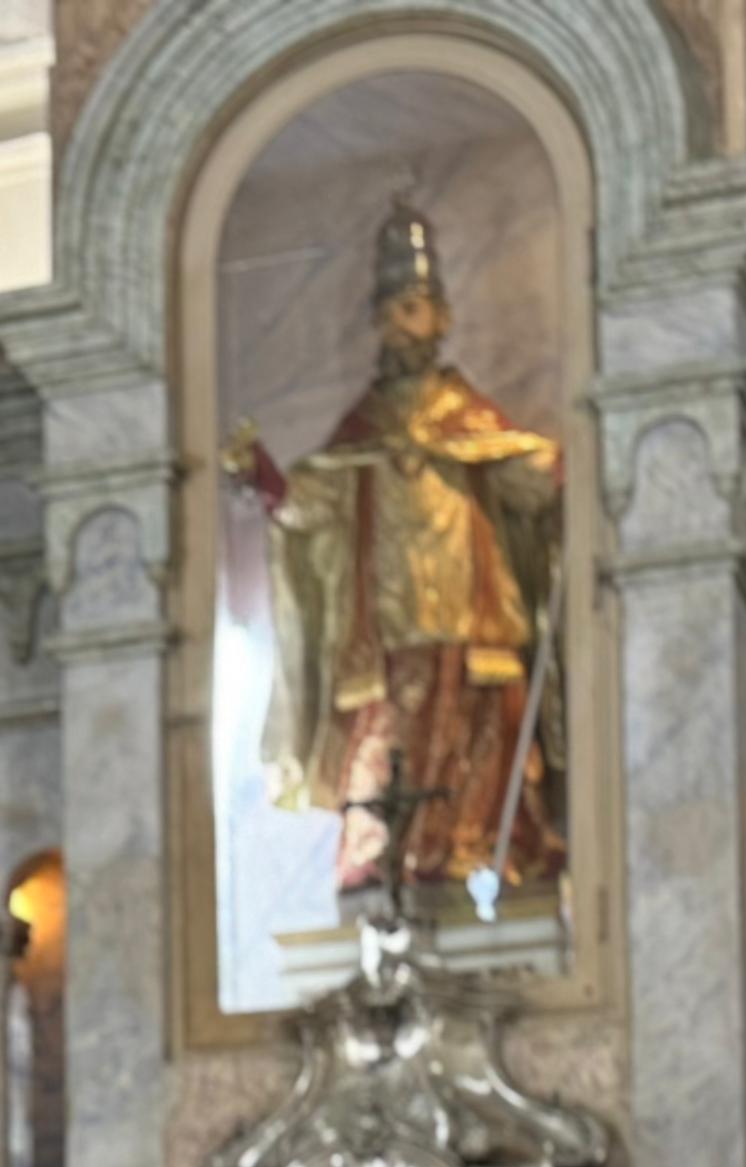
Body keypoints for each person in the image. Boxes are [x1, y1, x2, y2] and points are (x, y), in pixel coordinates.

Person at [237, 198, 565, 903]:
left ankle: (502, 859)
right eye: (388, 310)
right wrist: (269, 485)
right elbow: (312, 504)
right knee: (385, 754)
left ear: (442, 317)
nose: (399, 322)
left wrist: (551, 469)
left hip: (472, 618)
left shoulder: (471, 418)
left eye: (413, 306)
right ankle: (386, 869)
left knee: (488, 745)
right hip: (385, 632)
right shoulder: (363, 428)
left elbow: (529, 482)